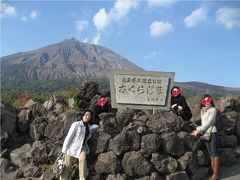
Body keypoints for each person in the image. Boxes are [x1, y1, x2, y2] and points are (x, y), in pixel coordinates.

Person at [191, 94, 219, 180]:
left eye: (208, 101)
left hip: (212, 132)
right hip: (205, 134)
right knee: (210, 154)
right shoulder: (203, 110)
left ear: (211, 101)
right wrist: (197, 129)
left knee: (214, 153)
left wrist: (198, 131)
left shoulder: (213, 110)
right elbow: (203, 124)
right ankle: (213, 172)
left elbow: (209, 123)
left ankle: (215, 174)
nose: (206, 103)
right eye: (204, 101)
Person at [60, 110, 93, 180]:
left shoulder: (89, 127)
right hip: (72, 147)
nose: (88, 117)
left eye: (89, 115)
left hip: (82, 147)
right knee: (67, 166)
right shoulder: (76, 124)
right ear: (83, 116)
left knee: (83, 159)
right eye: (86, 115)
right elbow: (69, 137)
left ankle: (82, 178)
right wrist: (64, 150)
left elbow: (95, 127)